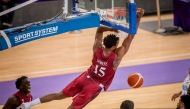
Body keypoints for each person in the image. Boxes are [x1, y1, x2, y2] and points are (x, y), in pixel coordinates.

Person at [21, 8, 145, 109]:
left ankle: (28, 105)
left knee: (59, 95)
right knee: (73, 108)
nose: (118, 45)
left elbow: (99, 29)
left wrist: (111, 28)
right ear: (113, 47)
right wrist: (138, 18)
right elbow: (130, 38)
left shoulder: (97, 48)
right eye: (116, 44)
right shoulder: (116, 58)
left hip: (85, 77)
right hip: (94, 86)